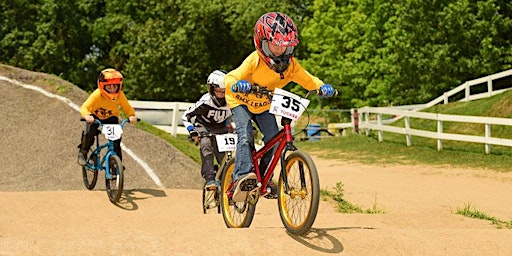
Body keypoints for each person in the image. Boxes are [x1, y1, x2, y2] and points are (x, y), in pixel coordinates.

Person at [224, 12, 335, 202]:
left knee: (274, 142)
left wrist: (321, 87)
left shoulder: (290, 66)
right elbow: (231, 77)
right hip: (240, 101)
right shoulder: (254, 60)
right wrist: (237, 84)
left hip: (264, 104)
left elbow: (308, 80)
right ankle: (242, 176)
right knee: (245, 135)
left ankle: (265, 179)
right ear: (263, 43)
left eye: (285, 46)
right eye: (275, 44)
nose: (280, 50)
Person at [182, 70, 232, 191]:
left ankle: (228, 178)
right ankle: (209, 178)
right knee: (206, 145)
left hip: (221, 129)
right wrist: (192, 131)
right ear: (211, 89)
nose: (221, 95)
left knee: (225, 155)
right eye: (218, 91)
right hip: (204, 126)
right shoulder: (205, 101)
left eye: (223, 92)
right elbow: (186, 116)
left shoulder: (231, 101)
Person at [77, 68, 138, 166]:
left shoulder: (120, 96)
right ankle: (83, 153)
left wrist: (131, 115)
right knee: (90, 133)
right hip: (95, 117)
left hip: (111, 118)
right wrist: (87, 115)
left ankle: (116, 162)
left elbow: (127, 107)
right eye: (109, 87)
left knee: (116, 139)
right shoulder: (97, 94)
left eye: (115, 86)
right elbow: (84, 107)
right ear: (102, 86)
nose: (112, 89)